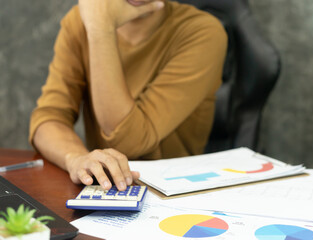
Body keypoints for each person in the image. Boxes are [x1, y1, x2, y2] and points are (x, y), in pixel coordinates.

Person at [29, 0, 227, 192]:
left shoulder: (203, 32)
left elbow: (130, 142)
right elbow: (48, 119)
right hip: (105, 190)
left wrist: (100, 29)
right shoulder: (82, 20)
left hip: (173, 194)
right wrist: (76, 159)